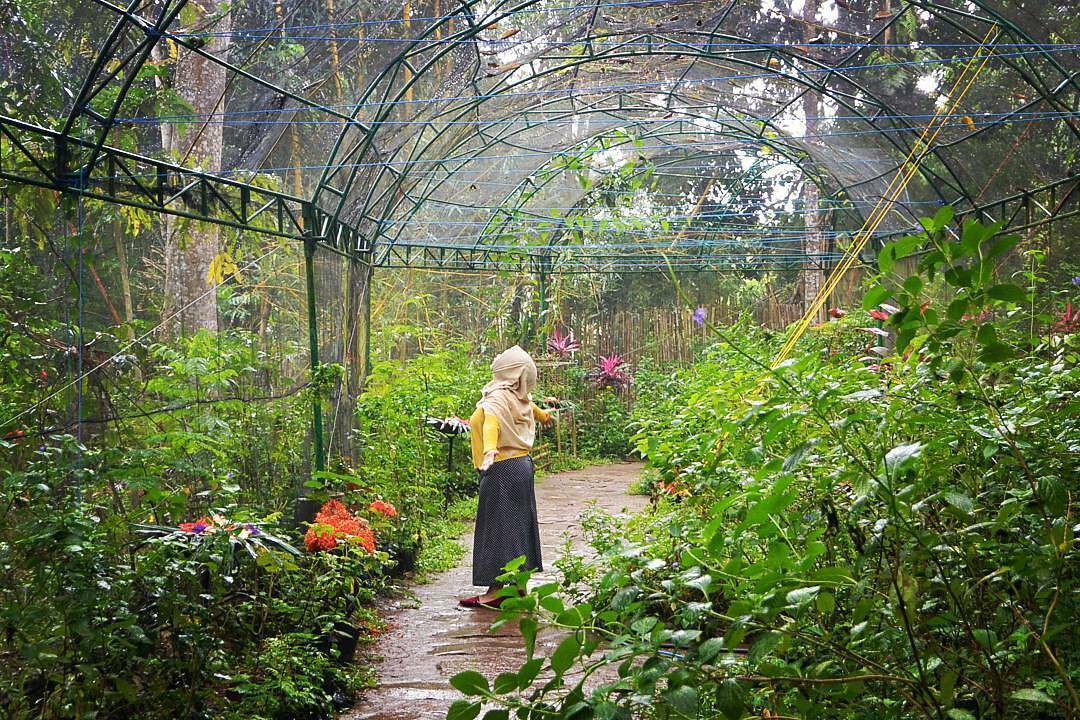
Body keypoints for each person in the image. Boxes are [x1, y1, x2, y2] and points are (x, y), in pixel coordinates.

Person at [459, 345, 553, 609]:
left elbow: (492, 424)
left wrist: (490, 450)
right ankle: (520, 586)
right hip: (521, 467)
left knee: (498, 529)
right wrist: (545, 417)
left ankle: (494, 591)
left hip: (501, 468)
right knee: (518, 527)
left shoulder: (498, 399)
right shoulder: (517, 397)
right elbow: (532, 409)